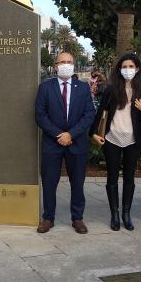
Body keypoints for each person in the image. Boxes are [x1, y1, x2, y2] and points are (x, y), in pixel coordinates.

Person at [35, 52, 95, 234]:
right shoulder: (45, 87)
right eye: (62, 62)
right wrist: (59, 134)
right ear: (55, 65)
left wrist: (71, 134)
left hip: (76, 144)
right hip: (52, 143)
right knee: (49, 182)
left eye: (69, 62)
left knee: (77, 182)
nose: (66, 65)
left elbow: (89, 115)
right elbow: (40, 115)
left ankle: (77, 218)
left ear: (74, 65)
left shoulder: (83, 88)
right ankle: (48, 218)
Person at [90, 54, 141, 231]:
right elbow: (100, 111)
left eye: (131, 66)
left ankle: (126, 214)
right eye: (124, 67)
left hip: (132, 140)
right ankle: (114, 215)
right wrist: (93, 133)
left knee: (130, 179)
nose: (128, 70)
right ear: (119, 69)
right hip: (112, 138)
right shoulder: (111, 90)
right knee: (112, 178)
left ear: (137, 69)